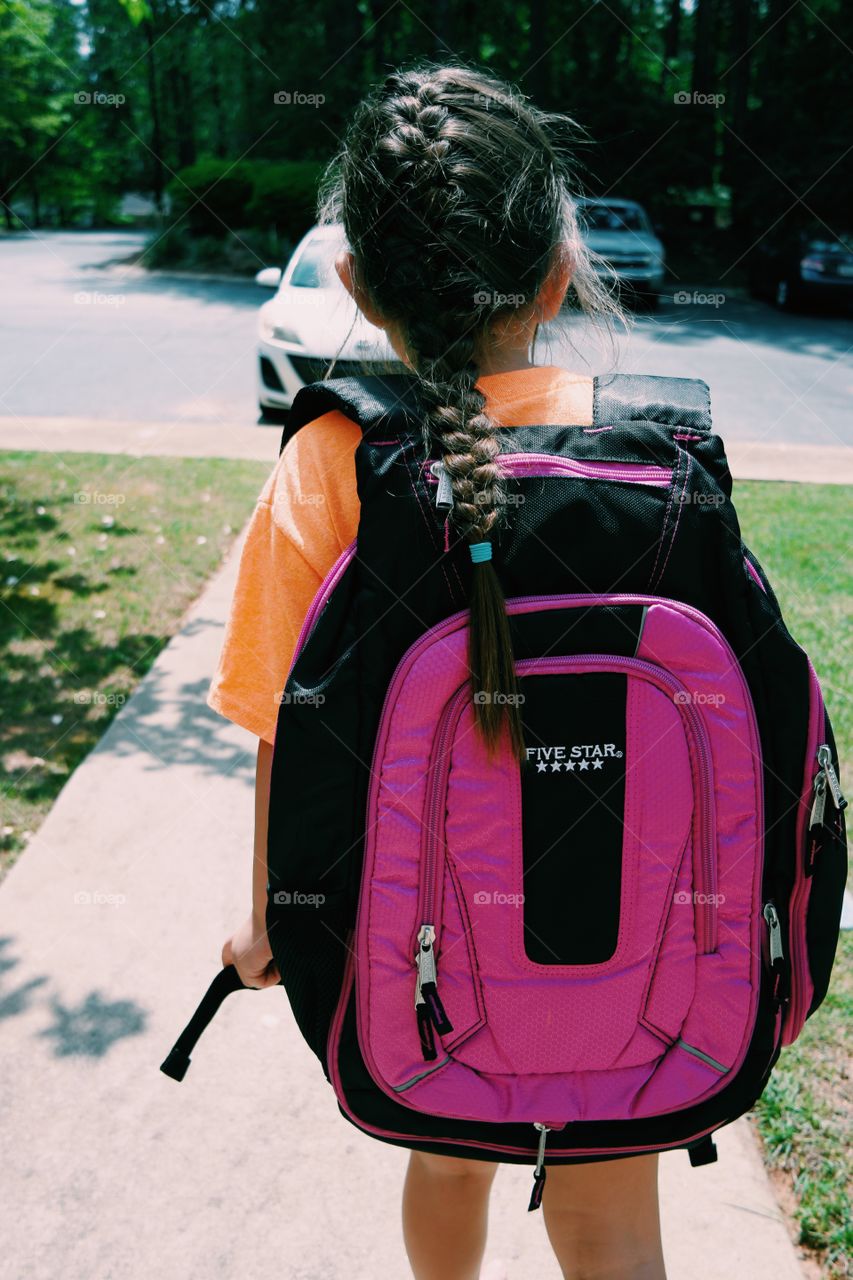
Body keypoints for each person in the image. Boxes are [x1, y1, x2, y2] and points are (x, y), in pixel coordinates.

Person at [210, 60, 666, 1280]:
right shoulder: (643, 461)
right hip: (618, 922)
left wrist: (267, 914)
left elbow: (276, 718)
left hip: (415, 936)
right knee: (614, 1212)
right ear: (560, 273)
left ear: (355, 284)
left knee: (448, 1151)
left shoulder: (331, 460)